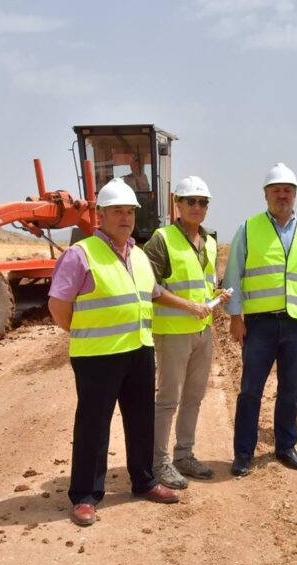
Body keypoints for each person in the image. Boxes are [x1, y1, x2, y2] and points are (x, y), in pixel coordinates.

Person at [48, 178, 207, 526]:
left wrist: (189, 305)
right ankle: (86, 495)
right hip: (97, 354)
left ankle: (145, 481)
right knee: (93, 424)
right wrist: (81, 331)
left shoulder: (138, 253)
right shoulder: (81, 254)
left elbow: (151, 292)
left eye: (130, 211)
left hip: (139, 349)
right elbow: (58, 305)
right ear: (100, 216)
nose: (125, 217)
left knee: (140, 420)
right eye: (117, 211)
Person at [222, 162, 297, 476]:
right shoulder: (249, 227)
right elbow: (234, 275)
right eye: (276, 190)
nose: (282, 195)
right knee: (250, 390)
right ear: (266, 194)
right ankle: (243, 453)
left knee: (290, 391)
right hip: (259, 324)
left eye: (287, 190)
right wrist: (235, 317)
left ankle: (286, 447)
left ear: (295, 194)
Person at [142, 176, 229, 489]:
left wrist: (217, 296)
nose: (197, 207)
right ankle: (158, 462)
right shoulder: (162, 239)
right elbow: (148, 287)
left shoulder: (209, 241)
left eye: (202, 202)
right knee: (168, 399)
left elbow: (204, 285)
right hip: (173, 332)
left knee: (194, 397)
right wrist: (188, 306)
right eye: (190, 201)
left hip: (202, 332)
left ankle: (184, 454)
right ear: (177, 203)